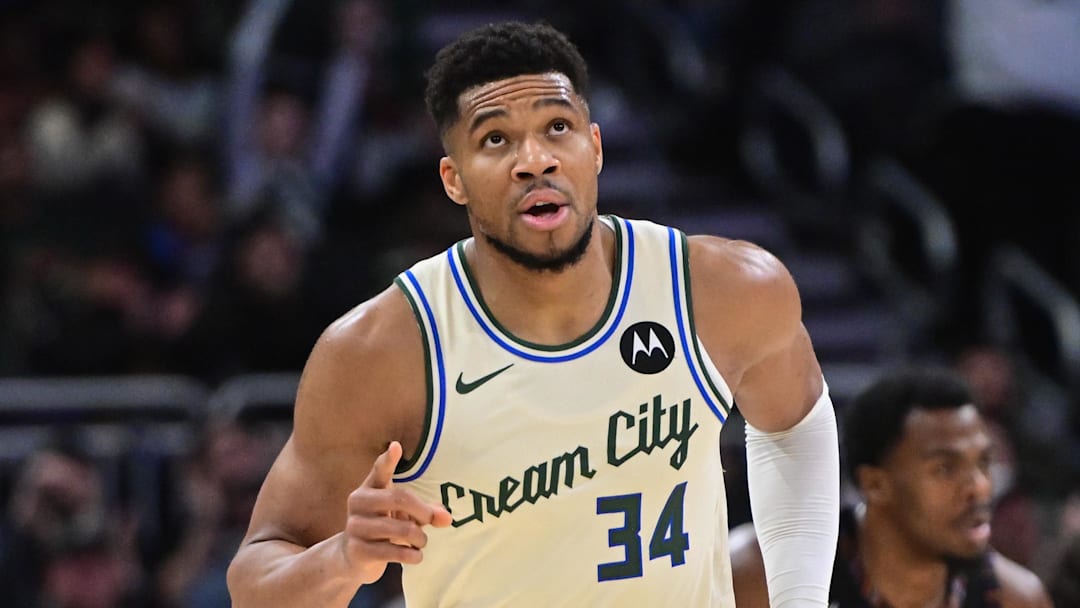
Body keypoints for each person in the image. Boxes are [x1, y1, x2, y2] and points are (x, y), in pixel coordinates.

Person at [227, 20, 840, 607]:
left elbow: (796, 428)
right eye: (496, 139)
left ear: (594, 148)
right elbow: (255, 584)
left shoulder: (721, 290)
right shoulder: (383, 350)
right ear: (454, 179)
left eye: (557, 128)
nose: (535, 160)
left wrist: (802, 599)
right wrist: (341, 560)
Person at [729, 367, 1053, 608]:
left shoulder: (1017, 599)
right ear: (875, 484)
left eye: (983, 463)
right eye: (945, 468)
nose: (979, 487)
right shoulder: (761, 576)